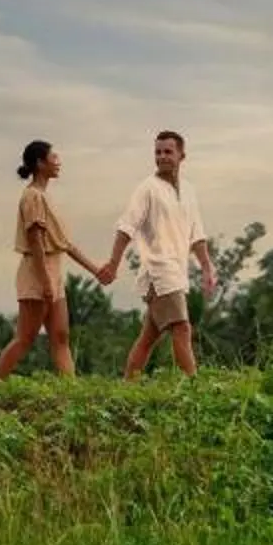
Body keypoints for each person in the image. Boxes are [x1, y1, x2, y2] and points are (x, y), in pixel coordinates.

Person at [100, 128, 217, 376]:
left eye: (168, 152)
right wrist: (113, 263)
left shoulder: (188, 190)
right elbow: (126, 227)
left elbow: (197, 235)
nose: (162, 156)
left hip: (178, 270)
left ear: (181, 155)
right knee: (182, 329)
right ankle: (194, 389)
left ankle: (127, 387)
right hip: (159, 270)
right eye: (158, 152)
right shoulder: (147, 188)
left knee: (148, 337)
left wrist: (207, 267)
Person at [0, 139, 112, 378]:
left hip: (54, 272)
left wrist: (95, 270)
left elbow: (64, 244)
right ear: (40, 163)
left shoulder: (46, 197)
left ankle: (71, 391)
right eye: (53, 158)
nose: (58, 163)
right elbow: (35, 241)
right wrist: (45, 281)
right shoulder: (32, 197)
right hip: (38, 272)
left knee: (60, 336)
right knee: (25, 338)